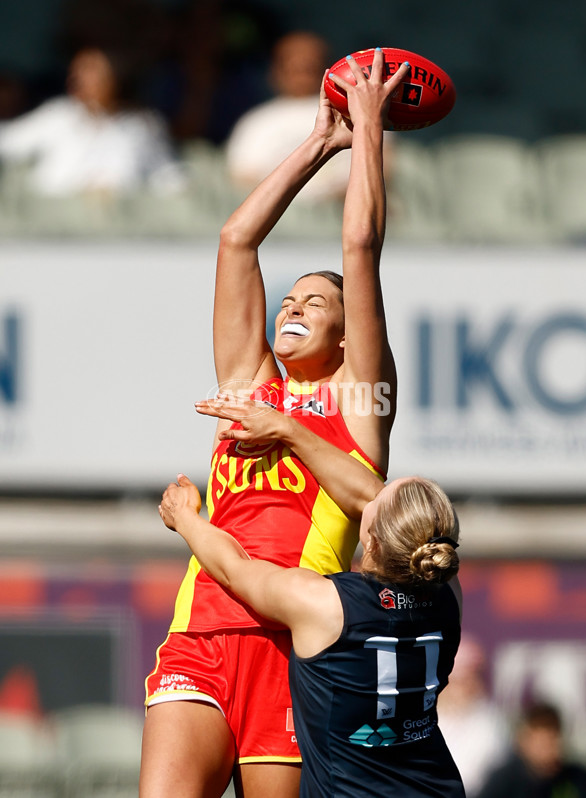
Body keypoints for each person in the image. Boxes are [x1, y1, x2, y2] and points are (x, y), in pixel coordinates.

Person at [140, 49, 411, 798]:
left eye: (313, 303)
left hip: (298, 647)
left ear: (351, 337)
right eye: (288, 299)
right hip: (203, 633)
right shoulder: (249, 383)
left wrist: (368, 132)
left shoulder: (359, 400)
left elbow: (361, 248)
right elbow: (236, 240)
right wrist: (319, 143)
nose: (292, 307)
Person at [158, 471, 465, 798]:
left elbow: (233, 569)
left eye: (375, 500)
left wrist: (184, 517)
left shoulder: (324, 604)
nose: (369, 497)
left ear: (372, 539)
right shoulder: (450, 598)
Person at [0, 46, 184, 196]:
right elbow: (9, 141)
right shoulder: (58, 115)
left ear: (115, 77)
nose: (78, 79)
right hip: (54, 225)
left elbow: (168, 176)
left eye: (90, 71)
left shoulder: (143, 125)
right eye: (75, 72)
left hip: (122, 229)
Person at [225, 31, 354, 202]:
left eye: (309, 68)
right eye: (293, 68)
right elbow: (242, 180)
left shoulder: (353, 114)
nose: (301, 76)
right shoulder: (255, 121)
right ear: (275, 72)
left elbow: (380, 168)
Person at [436, 635, 511, 796]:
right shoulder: (424, 721)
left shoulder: (491, 722)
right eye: (457, 679)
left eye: (470, 677)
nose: (464, 687)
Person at [477, 701, 586, 798]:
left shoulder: (582, 780)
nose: (548, 750)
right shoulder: (503, 782)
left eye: (552, 740)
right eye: (541, 743)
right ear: (523, 742)